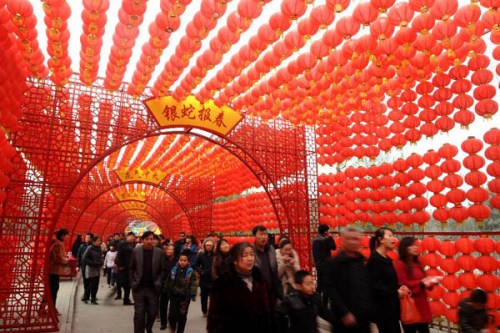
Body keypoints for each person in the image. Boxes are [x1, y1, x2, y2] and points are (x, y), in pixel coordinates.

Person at [207, 242, 273, 333]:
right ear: (235, 260)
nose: (250, 259)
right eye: (245, 255)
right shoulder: (223, 283)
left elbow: (269, 310)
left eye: (251, 255)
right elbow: (214, 318)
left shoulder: (260, 279)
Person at [325, 227, 371, 333]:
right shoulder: (334, 263)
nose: (353, 242)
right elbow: (330, 289)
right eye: (349, 239)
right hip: (344, 318)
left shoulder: (363, 261)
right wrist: (344, 313)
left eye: (356, 239)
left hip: (363, 316)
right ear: (343, 240)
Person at [366, 227, 408, 333]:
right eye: (390, 236)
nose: (394, 239)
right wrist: (396, 293)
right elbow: (375, 287)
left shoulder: (386, 259)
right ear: (380, 239)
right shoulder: (375, 260)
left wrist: (399, 287)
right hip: (383, 310)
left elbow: (389, 282)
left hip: (391, 309)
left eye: (393, 235)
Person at [394, 237, 439, 333]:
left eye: (416, 245)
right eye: (412, 245)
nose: (416, 248)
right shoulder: (400, 264)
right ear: (404, 248)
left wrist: (430, 282)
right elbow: (403, 284)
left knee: (424, 329)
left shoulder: (418, 262)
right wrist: (421, 283)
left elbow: (423, 280)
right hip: (410, 304)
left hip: (421, 303)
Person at [129, 231, 167, 333]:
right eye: (147, 239)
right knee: (139, 314)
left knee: (153, 312)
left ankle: (148, 327)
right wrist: (133, 282)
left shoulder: (159, 252)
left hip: (153, 288)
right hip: (139, 287)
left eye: (151, 239)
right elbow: (131, 268)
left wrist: (160, 282)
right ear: (142, 240)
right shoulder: (136, 251)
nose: (149, 241)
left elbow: (163, 270)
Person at [164, 251, 197, 333]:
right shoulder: (174, 270)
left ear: (188, 262)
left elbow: (193, 283)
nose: (182, 262)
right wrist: (166, 289)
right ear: (178, 260)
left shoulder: (190, 272)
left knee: (182, 316)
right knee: (172, 315)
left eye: (184, 260)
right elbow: (169, 280)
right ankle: (172, 328)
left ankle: (180, 331)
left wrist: (193, 294)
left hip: (184, 298)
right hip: (174, 295)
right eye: (181, 260)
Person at [312, 224, 336, 307]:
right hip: (326, 266)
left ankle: (316, 303)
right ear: (325, 232)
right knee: (326, 285)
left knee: (319, 285)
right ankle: (325, 305)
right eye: (328, 231)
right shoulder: (324, 240)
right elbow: (334, 247)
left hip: (318, 265)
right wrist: (330, 237)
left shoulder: (314, 240)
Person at [49, 228, 69, 314]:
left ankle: (44, 309)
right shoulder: (57, 244)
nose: (66, 238)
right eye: (66, 236)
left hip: (52, 270)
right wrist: (65, 261)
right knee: (53, 291)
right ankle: (52, 309)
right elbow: (57, 258)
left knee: (50, 290)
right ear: (62, 235)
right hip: (53, 270)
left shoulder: (55, 243)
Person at [195, 237, 216, 317]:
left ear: (213, 246)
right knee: (203, 297)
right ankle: (204, 311)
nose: (208, 247)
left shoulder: (215, 254)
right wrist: (201, 272)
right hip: (204, 279)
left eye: (210, 245)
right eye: (207, 245)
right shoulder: (201, 254)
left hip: (213, 279)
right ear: (204, 245)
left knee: (213, 297)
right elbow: (196, 265)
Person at [160, 244, 177, 330]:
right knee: (163, 305)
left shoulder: (177, 261)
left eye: (171, 249)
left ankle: (172, 321)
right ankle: (163, 323)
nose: (169, 251)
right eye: (168, 249)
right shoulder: (163, 260)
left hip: (175, 286)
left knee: (173, 306)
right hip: (164, 285)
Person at [81, 236, 103, 305]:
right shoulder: (89, 248)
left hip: (97, 268)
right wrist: (93, 263)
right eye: (98, 241)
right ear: (93, 242)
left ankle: (93, 298)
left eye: (100, 241)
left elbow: (100, 257)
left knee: (95, 284)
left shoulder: (99, 248)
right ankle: (86, 297)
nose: (99, 242)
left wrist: (101, 263)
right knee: (90, 284)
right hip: (90, 268)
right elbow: (84, 258)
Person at [115, 232, 136, 305]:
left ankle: (126, 299)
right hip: (122, 268)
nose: (133, 238)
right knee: (123, 283)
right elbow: (121, 254)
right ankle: (121, 296)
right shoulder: (122, 244)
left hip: (128, 268)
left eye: (134, 237)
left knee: (128, 285)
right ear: (128, 236)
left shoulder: (131, 245)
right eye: (132, 236)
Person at [77, 232, 93, 303]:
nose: (87, 239)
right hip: (84, 266)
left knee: (90, 281)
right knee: (85, 281)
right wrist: (77, 265)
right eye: (86, 237)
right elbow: (79, 256)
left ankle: (87, 295)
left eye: (88, 237)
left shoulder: (93, 246)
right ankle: (86, 294)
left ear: (91, 238)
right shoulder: (82, 246)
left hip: (91, 266)